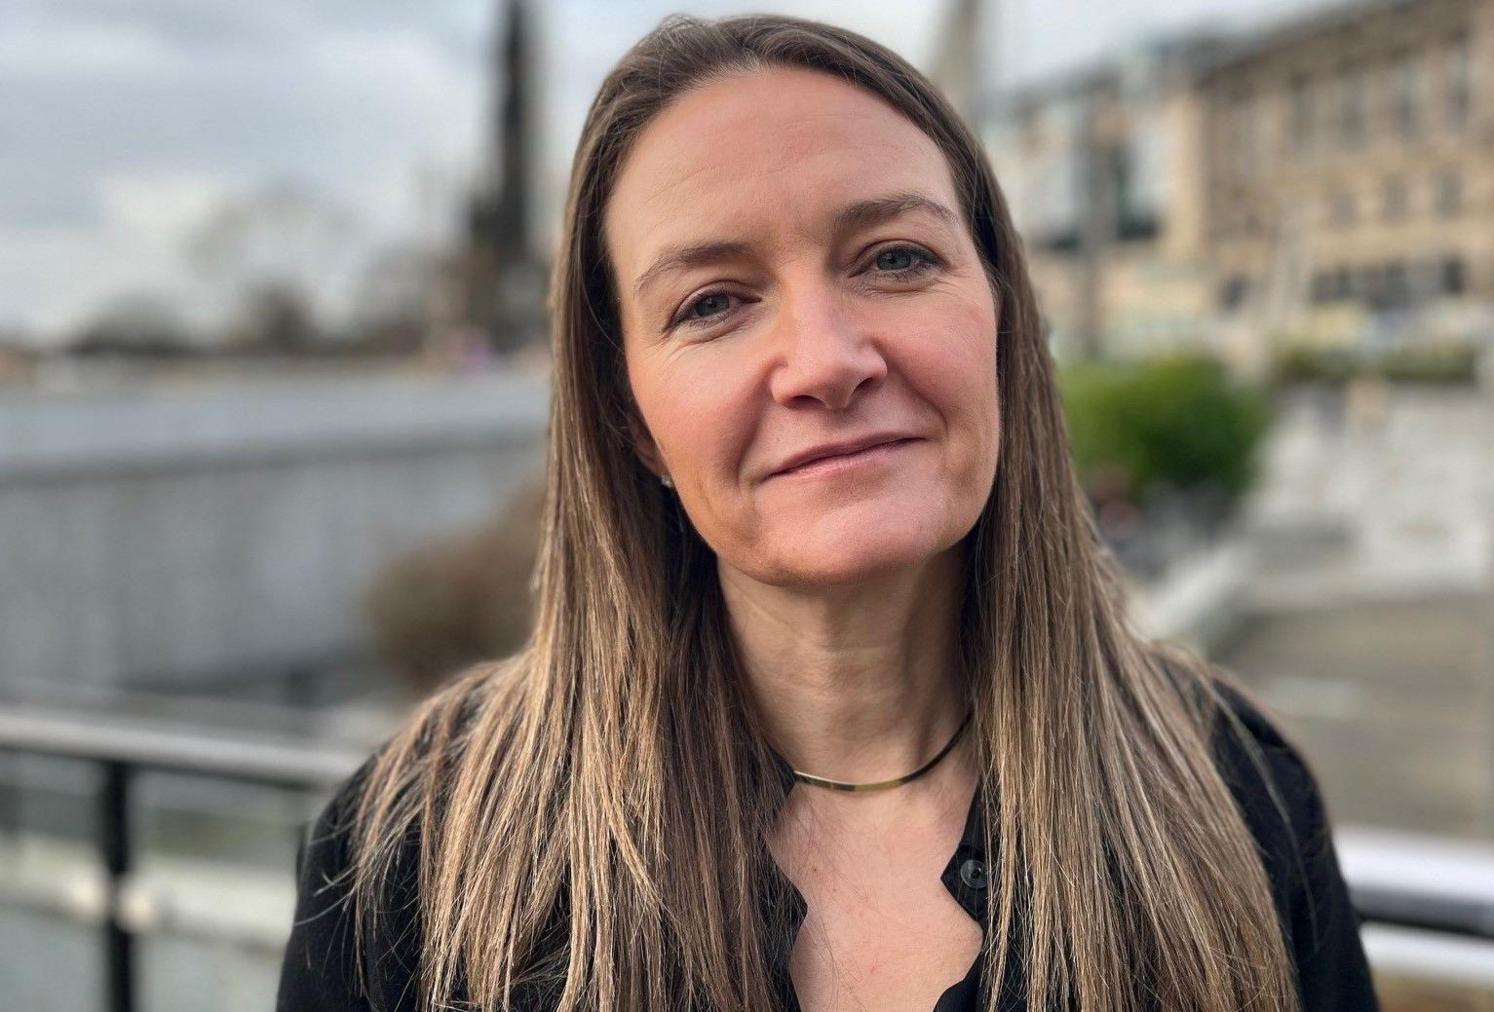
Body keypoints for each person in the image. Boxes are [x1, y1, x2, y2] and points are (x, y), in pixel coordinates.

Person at [277, 13, 1378, 1012]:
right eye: (713, 302)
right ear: (631, 420)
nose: (826, 362)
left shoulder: (1238, 793)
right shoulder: (412, 863)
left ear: (1001, 316)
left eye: (895, 258)